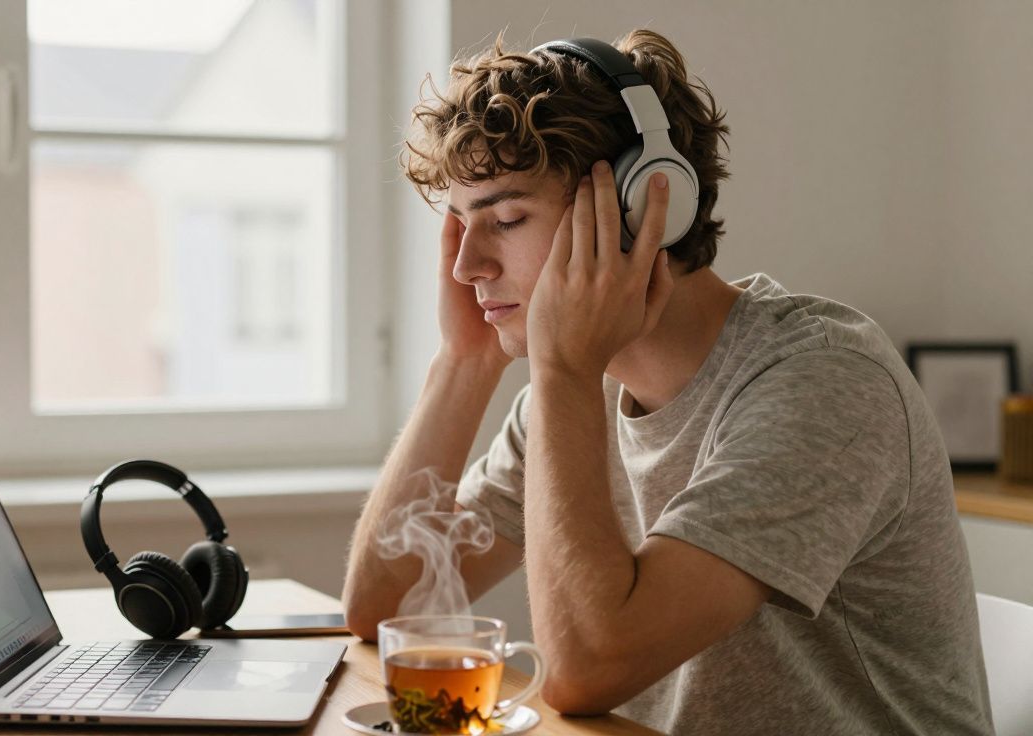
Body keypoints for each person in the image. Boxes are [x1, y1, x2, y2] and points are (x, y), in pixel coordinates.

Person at [341, 29, 994, 735]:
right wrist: (462, 363)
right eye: (462, 226)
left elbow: (587, 668)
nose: (466, 266)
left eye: (505, 219)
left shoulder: (826, 382)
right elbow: (384, 609)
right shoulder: (571, 399)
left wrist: (563, 370)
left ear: (644, 207)